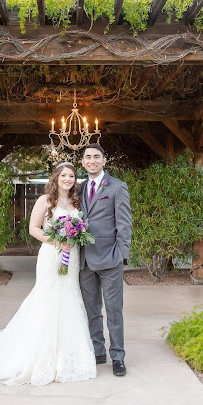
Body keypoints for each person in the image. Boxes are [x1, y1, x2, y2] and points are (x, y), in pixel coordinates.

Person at [0, 162, 97, 387]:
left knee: (69, 297)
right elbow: (34, 229)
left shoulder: (76, 201)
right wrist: (59, 240)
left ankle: (68, 357)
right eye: (64, 175)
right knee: (47, 298)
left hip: (72, 258)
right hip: (52, 256)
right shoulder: (45, 200)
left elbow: (81, 227)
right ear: (56, 178)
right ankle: (39, 354)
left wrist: (75, 237)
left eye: (71, 176)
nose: (68, 179)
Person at [78, 143, 132, 377]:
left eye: (96, 157)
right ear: (82, 162)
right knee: (92, 310)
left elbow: (124, 224)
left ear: (104, 161)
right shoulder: (78, 188)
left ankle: (117, 356)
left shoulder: (118, 187)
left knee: (114, 310)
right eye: (88, 157)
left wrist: (121, 255)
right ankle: (98, 350)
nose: (92, 160)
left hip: (110, 259)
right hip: (84, 261)